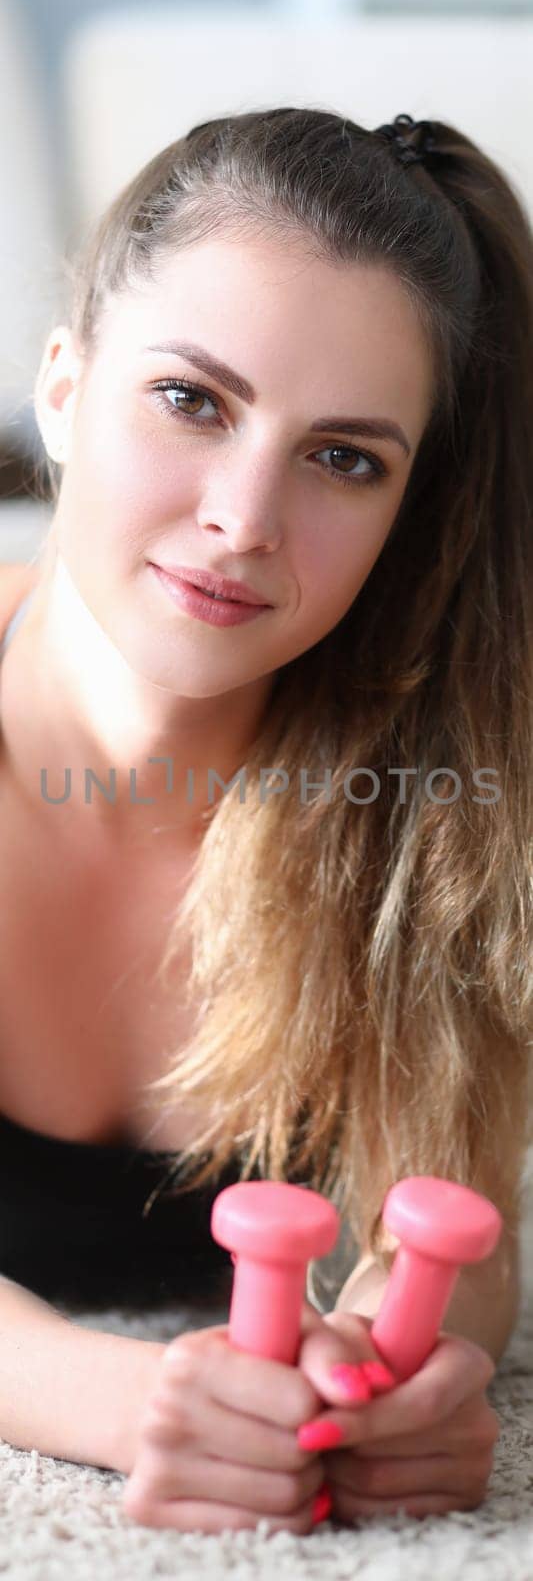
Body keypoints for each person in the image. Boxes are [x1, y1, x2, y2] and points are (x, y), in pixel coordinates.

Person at [0, 105, 531, 1533]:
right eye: (192, 399)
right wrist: (129, 1397)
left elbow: (455, 1212)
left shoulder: (435, 801)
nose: (244, 517)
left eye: (343, 458)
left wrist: (398, 1363)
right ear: (62, 383)